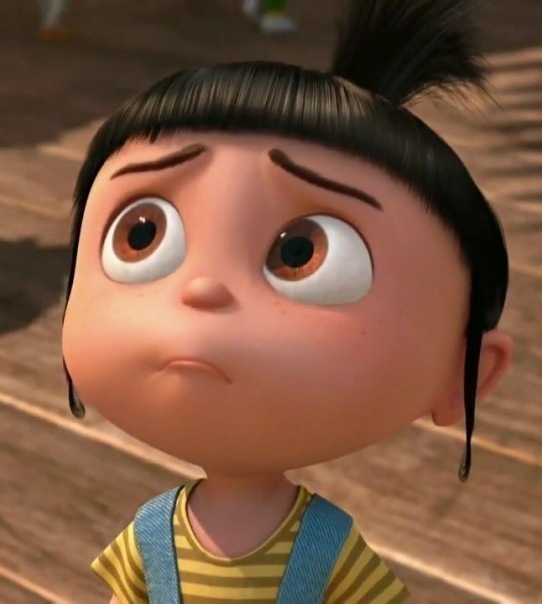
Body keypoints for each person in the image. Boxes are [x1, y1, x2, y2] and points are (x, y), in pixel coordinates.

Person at [61, 0, 513, 601]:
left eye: (301, 252)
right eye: (142, 235)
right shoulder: (150, 535)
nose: (202, 289)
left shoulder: (327, 547)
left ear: (465, 374)